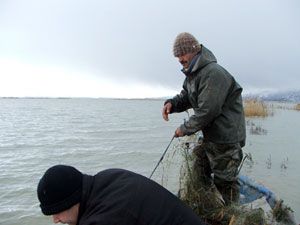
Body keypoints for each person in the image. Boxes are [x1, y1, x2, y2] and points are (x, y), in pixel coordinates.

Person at [162, 32, 246, 205]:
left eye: (182, 54)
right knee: (199, 168)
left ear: (194, 50)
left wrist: (184, 129)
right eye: (177, 56)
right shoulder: (192, 73)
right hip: (211, 136)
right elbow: (186, 96)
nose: (180, 59)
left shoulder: (213, 73)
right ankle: (206, 204)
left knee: (225, 182)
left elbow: (208, 111)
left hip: (226, 137)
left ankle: (232, 214)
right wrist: (172, 104)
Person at [37, 164, 206, 225]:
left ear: (73, 200)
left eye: (57, 211)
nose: (55, 220)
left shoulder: (101, 219)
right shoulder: (107, 177)